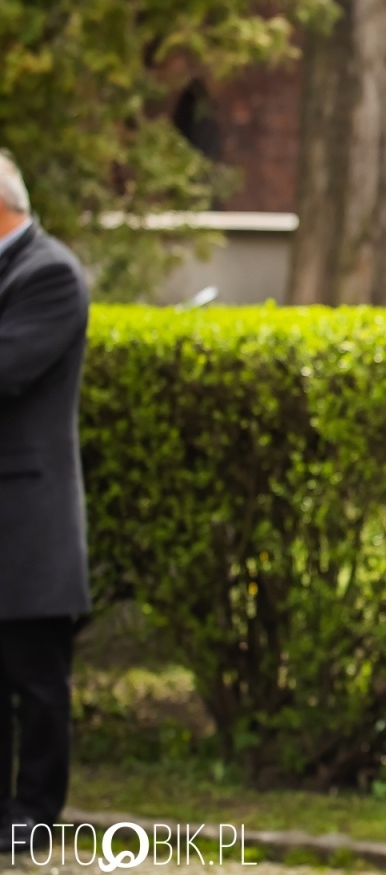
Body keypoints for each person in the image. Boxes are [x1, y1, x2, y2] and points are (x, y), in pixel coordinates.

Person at [0, 151, 91, 840]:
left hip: (28, 518)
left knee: (36, 679)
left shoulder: (49, 272)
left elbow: (7, 371)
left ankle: (34, 813)